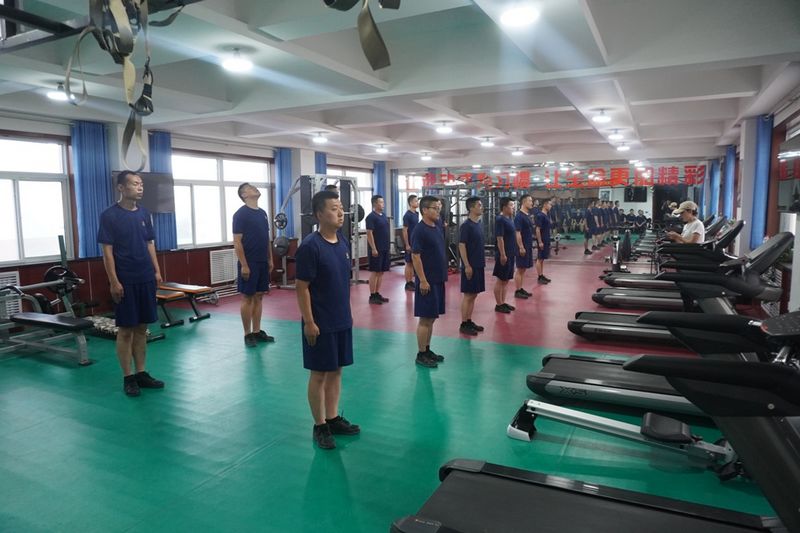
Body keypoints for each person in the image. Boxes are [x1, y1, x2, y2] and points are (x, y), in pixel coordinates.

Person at [295, 190, 360, 450]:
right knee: (319, 373)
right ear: (319, 214)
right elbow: (302, 288)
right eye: (334, 208)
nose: (340, 212)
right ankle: (319, 425)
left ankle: (332, 418)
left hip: (341, 318)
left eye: (341, 207)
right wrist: (309, 322)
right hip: (319, 322)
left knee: (336, 371)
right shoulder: (310, 247)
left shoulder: (342, 241)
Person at [98, 170, 165, 397]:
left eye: (141, 183)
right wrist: (113, 281)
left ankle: (141, 372)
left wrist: (156, 271)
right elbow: (107, 252)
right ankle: (128, 377)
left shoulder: (144, 213)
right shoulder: (109, 216)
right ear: (121, 188)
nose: (140, 187)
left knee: (142, 329)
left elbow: (149, 244)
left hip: (145, 277)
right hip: (125, 280)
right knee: (126, 330)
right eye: (135, 183)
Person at [232, 183, 275, 348]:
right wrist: (244, 265)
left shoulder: (263, 213)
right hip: (249, 262)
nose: (255, 188)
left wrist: (270, 259)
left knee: (259, 296)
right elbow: (237, 242)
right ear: (244, 195)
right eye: (250, 188)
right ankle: (247, 334)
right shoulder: (240, 215)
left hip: (262, 261)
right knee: (248, 297)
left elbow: (266, 238)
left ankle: (257, 331)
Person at [411, 196, 448, 368]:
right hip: (427, 281)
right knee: (425, 319)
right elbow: (416, 256)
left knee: (431, 318)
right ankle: (420, 354)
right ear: (425, 210)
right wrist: (423, 280)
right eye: (435, 208)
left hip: (438, 279)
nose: (438, 210)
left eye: (439, 208)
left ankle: (426, 349)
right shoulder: (419, 230)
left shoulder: (437, 226)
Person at [458, 196, 485, 336]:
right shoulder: (466, 226)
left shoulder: (478, 224)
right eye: (479, 205)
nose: (481, 207)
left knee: (474, 294)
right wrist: (467, 265)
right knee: (468, 295)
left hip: (479, 264)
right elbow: (461, 245)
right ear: (471, 208)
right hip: (470, 266)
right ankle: (463, 324)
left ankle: (469, 320)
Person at [493, 197, 517, 313]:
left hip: (511, 253)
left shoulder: (509, 219)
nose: (513, 207)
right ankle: (498, 304)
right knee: (500, 279)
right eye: (511, 205)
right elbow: (500, 238)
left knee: (506, 280)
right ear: (504, 207)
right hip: (504, 254)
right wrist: (502, 254)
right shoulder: (500, 220)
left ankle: (503, 302)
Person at [365, 194, 390, 304]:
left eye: (383, 202)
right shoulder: (371, 217)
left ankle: (377, 293)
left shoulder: (383, 216)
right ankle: (372, 295)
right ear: (375, 204)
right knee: (375, 272)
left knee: (381, 272)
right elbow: (369, 233)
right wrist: (373, 248)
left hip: (385, 248)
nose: (383, 204)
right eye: (381, 202)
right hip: (376, 249)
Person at [513, 194, 535, 299]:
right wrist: (521, 247)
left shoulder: (527, 215)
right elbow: (517, 233)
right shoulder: (519, 216)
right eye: (530, 201)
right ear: (524, 202)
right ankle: (517, 291)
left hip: (528, 245)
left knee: (523, 269)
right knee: (520, 269)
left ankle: (521, 288)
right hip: (522, 246)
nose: (532, 203)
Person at [402, 195, 420, 291]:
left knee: (413, 263)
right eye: (416, 201)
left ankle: (411, 281)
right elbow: (404, 230)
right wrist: (407, 244)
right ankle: (407, 283)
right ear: (411, 203)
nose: (417, 203)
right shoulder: (407, 215)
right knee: (408, 263)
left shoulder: (416, 214)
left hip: (415, 241)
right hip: (409, 242)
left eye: (417, 201)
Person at [535, 199, 553, 284]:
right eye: (549, 204)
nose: (551, 206)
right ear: (545, 205)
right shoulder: (540, 215)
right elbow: (537, 229)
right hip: (542, 239)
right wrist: (540, 242)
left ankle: (541, 275)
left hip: (546, 239)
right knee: (539, 258)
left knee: (542, 259)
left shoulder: (546, 215)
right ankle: (539, 277)